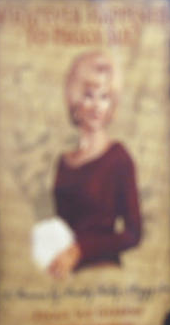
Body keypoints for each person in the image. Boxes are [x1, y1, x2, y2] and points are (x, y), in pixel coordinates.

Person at [47, 49, 141, 278]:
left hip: (104, 274)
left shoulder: (118, 158)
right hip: (66, 275)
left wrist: (81, 249)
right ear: (76, 98)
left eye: (105, 96)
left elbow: (132, 233)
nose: (97, 105)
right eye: (89, 95)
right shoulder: (64, 162)